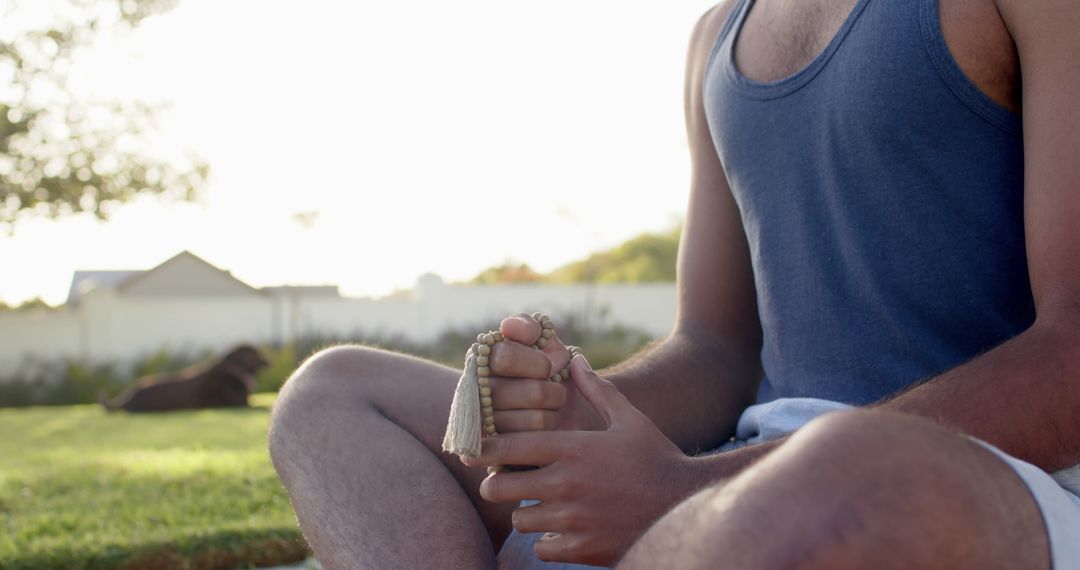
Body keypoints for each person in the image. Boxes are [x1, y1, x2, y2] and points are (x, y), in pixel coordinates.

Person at [268, 0, 1080, 567]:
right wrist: (576, 412)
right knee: (332, 398)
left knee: (843, 468)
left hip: (988, 484)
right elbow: (716, 347)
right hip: (742, 472)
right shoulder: (716, 37)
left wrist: (678, 490)